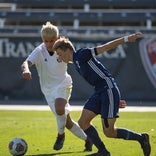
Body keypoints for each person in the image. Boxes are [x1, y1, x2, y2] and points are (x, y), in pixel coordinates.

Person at [52, 32, 151, 156]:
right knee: (83, 122)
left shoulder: (82, 54)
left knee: (109, 132)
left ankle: (142, 138)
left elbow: (106, 47)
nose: (59, 58)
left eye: (59, 54)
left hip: (107, 89)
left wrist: (126, 39)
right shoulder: (76, 62)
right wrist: (113, 101)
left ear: (66, 50)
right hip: (100, 92)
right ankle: (103, 152)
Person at [21, 21, 93, 152]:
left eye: (52, 40)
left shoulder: (62, 50)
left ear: (58, 39)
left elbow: (76, 60)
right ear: (43, 40)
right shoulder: (39, 50)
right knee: (67, 122)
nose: (49, 44)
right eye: (46, 41)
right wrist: (26, 70)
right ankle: (88, 139)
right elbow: (26, 62)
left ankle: (60, 135)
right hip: (48, 91)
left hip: (64, 84)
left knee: (60, 108)